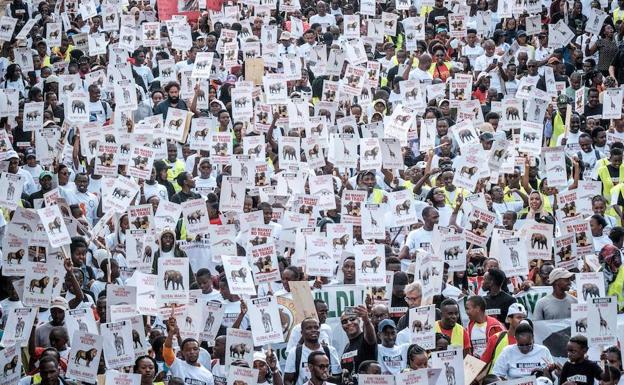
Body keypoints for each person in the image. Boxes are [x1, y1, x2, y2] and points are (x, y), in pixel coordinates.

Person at [283, 318, 342, 385]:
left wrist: (324, 377)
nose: (313, 330)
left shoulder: (330, 350)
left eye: (316, 327)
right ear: (302, 333)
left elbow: (338, 378)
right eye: (309, 328)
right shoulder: (294, 352)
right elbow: (287, 380)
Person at [492, 322, 556, 379]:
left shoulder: (543, 351)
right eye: (521, 345)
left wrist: (548, 371)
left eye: (528, 345)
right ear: (515, 339)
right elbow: (496, 375)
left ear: (533, 338)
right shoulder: (507, 352)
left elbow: (553, 378)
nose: (525, 348)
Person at [163, 317, 214, 385]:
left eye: (195, 349)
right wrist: (171, 333)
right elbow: (167, 348)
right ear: (182, 352)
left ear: (199, 351)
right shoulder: (176, 365)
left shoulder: (208, 375)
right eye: (188, 350)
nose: (192, 352)